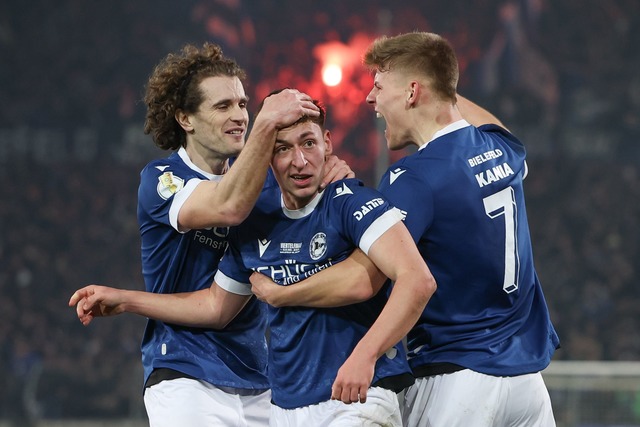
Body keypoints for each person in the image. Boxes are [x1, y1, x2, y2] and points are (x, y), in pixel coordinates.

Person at [250, 32, 560, 427]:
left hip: (458, 376)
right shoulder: (501, 147)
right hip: (528, 383)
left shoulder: (412, 178)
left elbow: (365, 276)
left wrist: (282, 293)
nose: (370, 99)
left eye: (379, 86)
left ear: (413, 92)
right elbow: (478, 118)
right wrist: (438, 77)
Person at [70, 97, 437, 426]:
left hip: (357, 397)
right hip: (286, 407)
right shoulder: (255, 220)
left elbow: (413, 280)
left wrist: (364, 356)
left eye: (310, 143)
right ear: (267, 159)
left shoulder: (349, 200)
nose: (299, 160)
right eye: (282, 149)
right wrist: (126, 300)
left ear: (327, 145)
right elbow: (216, 306)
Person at [69, 42, 353, 427]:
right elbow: (228, 206)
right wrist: (268, 124)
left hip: (258, 374)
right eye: (223, 106)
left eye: (242, 104)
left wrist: (332, 176)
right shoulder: (163, 180)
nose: (240, 116)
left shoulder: (268, 184)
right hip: (184, 369)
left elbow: (221, 307)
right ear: (186, 119)